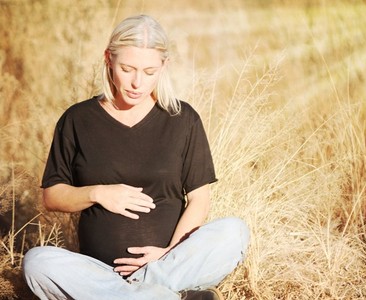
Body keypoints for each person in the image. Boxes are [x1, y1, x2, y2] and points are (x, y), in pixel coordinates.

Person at [22, 15, 249, 300]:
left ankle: (146, 290)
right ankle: (166, 296)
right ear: (108, 59)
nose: (137, 83)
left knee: (234, 232)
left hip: (168, 265)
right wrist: (98, 193)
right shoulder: (78, 119)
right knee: (37, 263)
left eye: (150, 71)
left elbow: (199, 199)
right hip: (100, 273)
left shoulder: (182, 119)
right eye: (127, 69)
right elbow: (52, 196)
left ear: (164, 66)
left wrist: (168, 254)